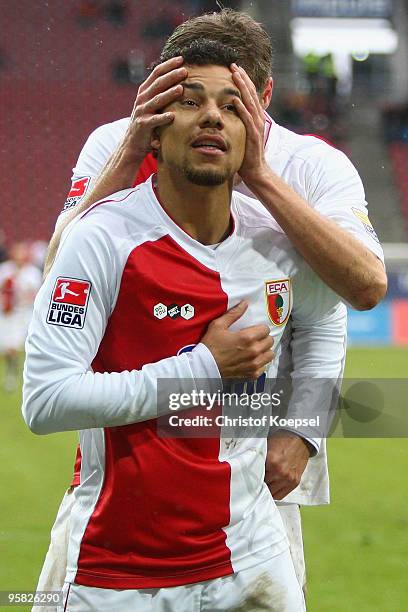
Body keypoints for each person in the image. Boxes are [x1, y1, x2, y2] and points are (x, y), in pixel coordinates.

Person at [35, 8, 385, 606]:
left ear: (265, 94)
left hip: (249, 433)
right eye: (188, 96)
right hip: (132, 436)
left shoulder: (312, 167)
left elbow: (341, 302)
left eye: (235, 99)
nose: (211, 119)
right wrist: (123, 162)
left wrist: (300, 432)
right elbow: (57, 283)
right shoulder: (122, 143)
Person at [0, 242, 42, 391]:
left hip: (25, 314)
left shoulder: (32, 272)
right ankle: (12, 374)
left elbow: (37, 294)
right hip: (9, 314)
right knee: (8, 349)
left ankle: (27, 376)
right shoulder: (5, 270)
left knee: (27, 346)